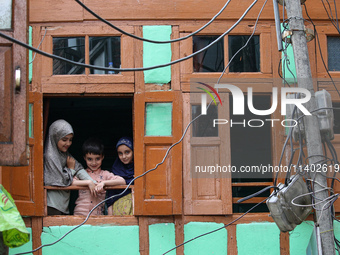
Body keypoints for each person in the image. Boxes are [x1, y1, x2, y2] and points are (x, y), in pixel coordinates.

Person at [44, 119, 97, 215]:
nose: (68, 143)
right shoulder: (50, 156)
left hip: (63, 204)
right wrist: (71, 170)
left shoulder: (64, 154)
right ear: (55, 137)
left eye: (70, 140)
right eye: (64, 140)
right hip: (52, 204)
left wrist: (94, 183)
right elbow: (61, 180)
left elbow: (78, 168)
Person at [73, 138, 125, 216]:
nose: (94, 163)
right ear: (84, 158)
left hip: (97, 214)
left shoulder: (105, 174)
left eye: (97, 159)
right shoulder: (81, 173)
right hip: (79, 213)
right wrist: (88, 182)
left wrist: (103, 183)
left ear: (102, 157)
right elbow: (72, 182)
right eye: (90, 159)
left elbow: (122, 181)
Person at [106, 137, 134, 216]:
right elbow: (111, 193)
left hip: (135, 209)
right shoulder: (116, 169)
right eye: (120, 153)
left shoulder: (140, 169)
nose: (124, 156)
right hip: (118, 211)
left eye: (127, 152)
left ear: (134, 151)